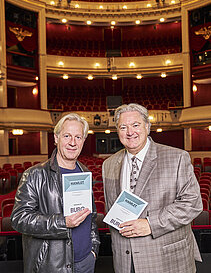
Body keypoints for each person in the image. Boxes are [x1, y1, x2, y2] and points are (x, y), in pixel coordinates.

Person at [102, 103, 203, 273]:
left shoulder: (177, 157)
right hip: (125, 260)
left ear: (147, 127)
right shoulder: (109, 164)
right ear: (117, 131)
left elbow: (192, 203)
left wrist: (151, 224)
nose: (130, 132)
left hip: (167, 258)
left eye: (135, 125)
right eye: (123, 127)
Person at [11, 113, 100, 273]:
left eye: (78, 137)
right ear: (56, 138)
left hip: (86, 262)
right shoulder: (34, 174)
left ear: (83, 141)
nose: (73, 142)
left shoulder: (84, 172)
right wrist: (62, 223)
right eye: (67, 136)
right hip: (51, 266)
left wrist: (93, 249)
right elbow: (19, 219)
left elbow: (91, 217)